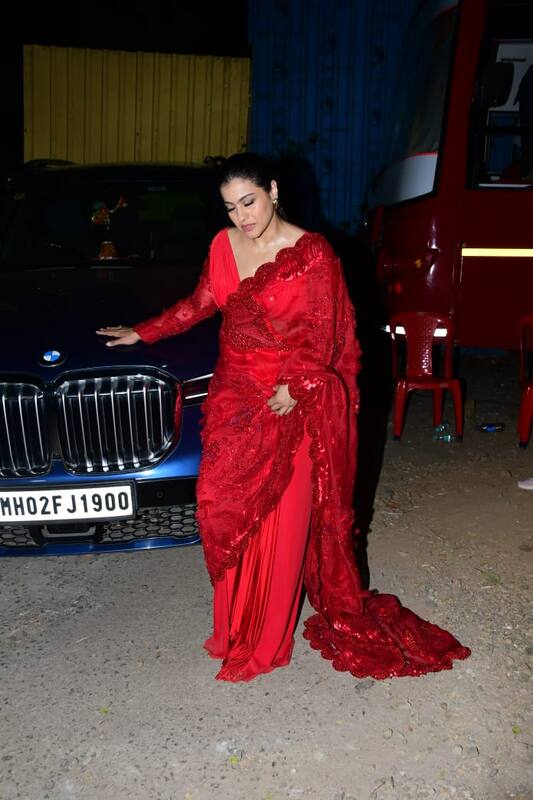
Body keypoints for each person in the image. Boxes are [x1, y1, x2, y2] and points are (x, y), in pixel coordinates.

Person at [96, 152, 470, 682]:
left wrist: (298, 386)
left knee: (279, 520)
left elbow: (325, 333)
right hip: (233, 396)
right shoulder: (223, 246)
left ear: (272, 190)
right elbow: (200, 303)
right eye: (230, 207)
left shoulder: (311, 254)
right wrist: (145, 331)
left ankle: (265, 643)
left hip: (287, 399)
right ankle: (231, 630)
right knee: (220, 506)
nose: (242, 217)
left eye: (249, 202)